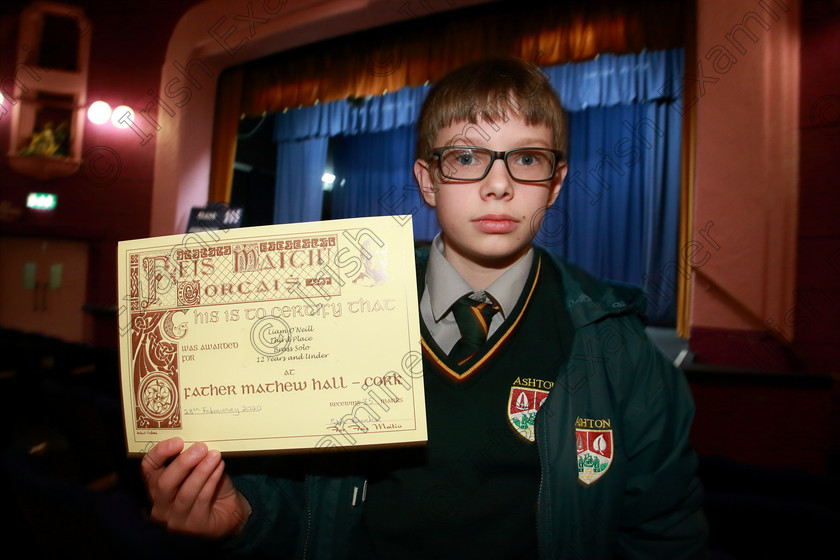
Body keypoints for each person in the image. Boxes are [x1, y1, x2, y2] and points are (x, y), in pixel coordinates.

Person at [142, 57, 709, 559]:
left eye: (527, 159)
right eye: (466, 157)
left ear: (555, 184)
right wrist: (242, 515)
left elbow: (662, 533)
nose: (498, 185)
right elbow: (305, 507)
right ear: (428, 180)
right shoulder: (330, 311)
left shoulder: (619, 348)